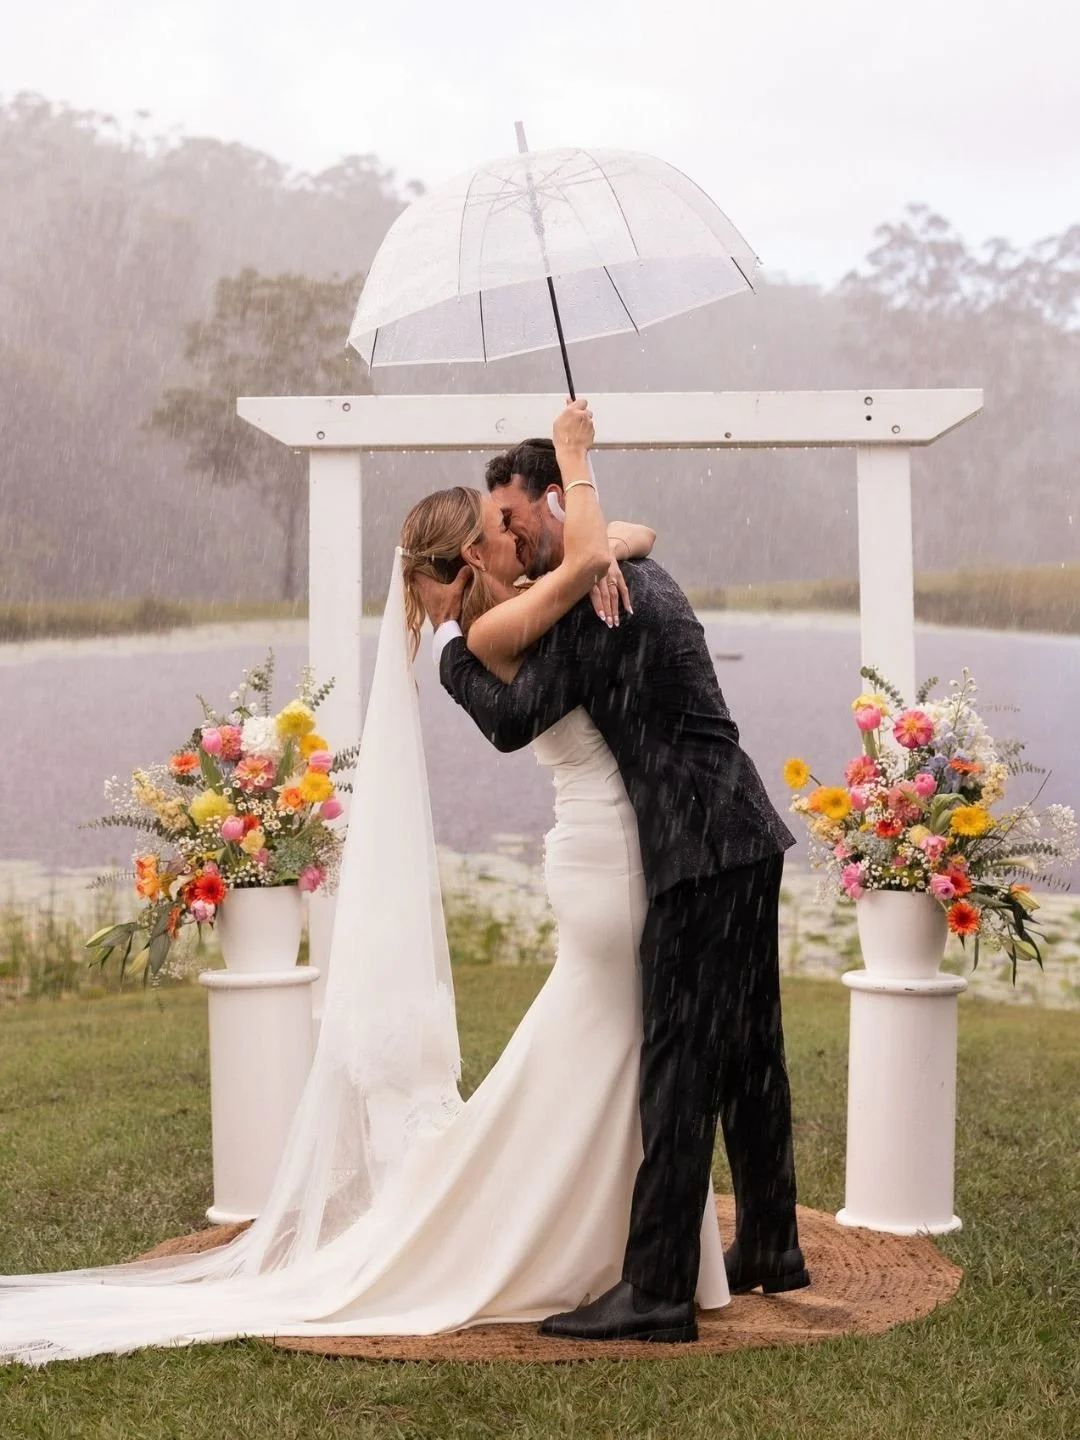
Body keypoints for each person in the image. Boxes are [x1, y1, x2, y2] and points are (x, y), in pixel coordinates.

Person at [0, 400, 727, 1366]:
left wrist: (608, 538)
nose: (515, 535)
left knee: (612, 1063)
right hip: (614, 871)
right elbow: (595, 557)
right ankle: (604, 1260)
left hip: (603, 863)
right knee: (627, 1060)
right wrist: (578, 465)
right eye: (498, 531)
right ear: (469, 559)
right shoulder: (505, 629)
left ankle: (636, 1259)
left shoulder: (513, 617)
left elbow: (607, 549)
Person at [420, 400, 809, 1344]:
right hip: (745, 831)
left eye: (509, 518)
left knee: (678, 1068)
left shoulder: (599, 603)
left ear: (554, 500)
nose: (500, 535)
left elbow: (517, 720)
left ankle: (658, 1292)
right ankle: (769, 1245)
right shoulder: (623, 570)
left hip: (698, 850)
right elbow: (620, 534)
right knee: (751, 1049)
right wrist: (597, 538)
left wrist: (454, 655)